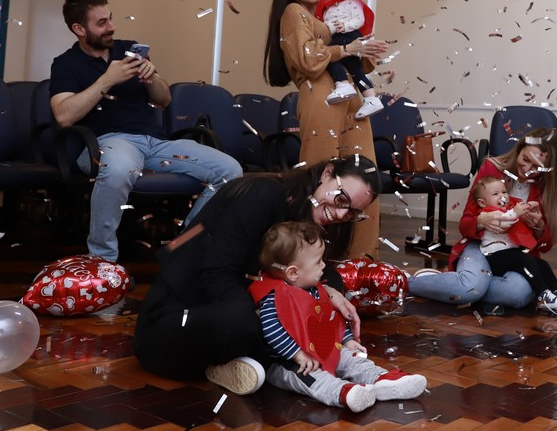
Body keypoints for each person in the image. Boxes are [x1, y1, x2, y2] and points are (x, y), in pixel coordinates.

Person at [133, 157, 379, 394]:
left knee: (326, 294)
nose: (340, 215)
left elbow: (321, 271)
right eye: (341, 199)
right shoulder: (263, 194)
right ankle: (274, 364)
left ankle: (243, 363)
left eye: (352, 213)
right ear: (327, 173)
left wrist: (329, 292)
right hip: (176, 320)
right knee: (245, 320)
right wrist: (268, 314)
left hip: (232, 315)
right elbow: (216, 275)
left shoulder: (311, 215)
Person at [49, 0, 243, 261]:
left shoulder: (128, 50)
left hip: (154, 143)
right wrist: (107, 80)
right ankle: (103, 260)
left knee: (230, 171)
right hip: (106, 143)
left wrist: (152, 79)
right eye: (102, 23)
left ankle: (183, 248)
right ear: (79, 29)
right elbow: (63, 116)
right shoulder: (66, 64)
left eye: (111, 18)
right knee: (119, 170)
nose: (111, 27)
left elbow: (164, 100)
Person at [264, 0, 389, 258]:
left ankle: (361, 261)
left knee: (364, 180)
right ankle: (309, 260)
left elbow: (359, 61)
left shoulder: (328, 12)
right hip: (321, 96)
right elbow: (308, 59)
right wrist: (345, 48)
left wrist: (364, 47)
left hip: (352, 98)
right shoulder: (293, 12)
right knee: (320, 182)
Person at [250, 220, 427, 411]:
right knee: (311, 377)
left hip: (324, 348)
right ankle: (343, 392)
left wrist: (347, 340)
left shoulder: (313, 288)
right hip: (288, 362)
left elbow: (329, 320)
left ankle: (381, 379)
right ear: (293, 272)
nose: (323, 265)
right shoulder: (274, 298)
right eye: (318, 262)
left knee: (351, 359)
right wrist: (297, 354)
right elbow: (271, 330)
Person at [408, 128, 557, 313]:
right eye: (525, 159)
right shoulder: (492, 168)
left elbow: (545, 247)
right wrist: (481, 221)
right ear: (519, 149)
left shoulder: (547, 186)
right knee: (478, 288)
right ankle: (407, 282)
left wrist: (539, 227)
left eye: (537, 167)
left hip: (517, 257)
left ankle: (458, 283)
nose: (527, 169)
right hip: (480, 246)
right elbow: (464, 225)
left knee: (517, 294)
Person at [469, 175, 557, 312]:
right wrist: (516, 212)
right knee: (525, 260)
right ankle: (542, 294)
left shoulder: (507, 209)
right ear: (482, 203)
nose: (502, 196)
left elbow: (513, 218)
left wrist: (526, 210)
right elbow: (504, 220)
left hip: (509, 254)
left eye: (504, 192)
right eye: (495, 194)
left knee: (542, 264)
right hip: (494, 257)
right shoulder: (488, 213)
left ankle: (555, 289)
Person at [314, 0, 386, 120]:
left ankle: (342, 84)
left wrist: (345, 26)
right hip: (341, 37)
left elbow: (359, 20)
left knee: (330, 58)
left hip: (348, 36)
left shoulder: (352, 2)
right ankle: (371, 98)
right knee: (356, 70)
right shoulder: (329, 3)